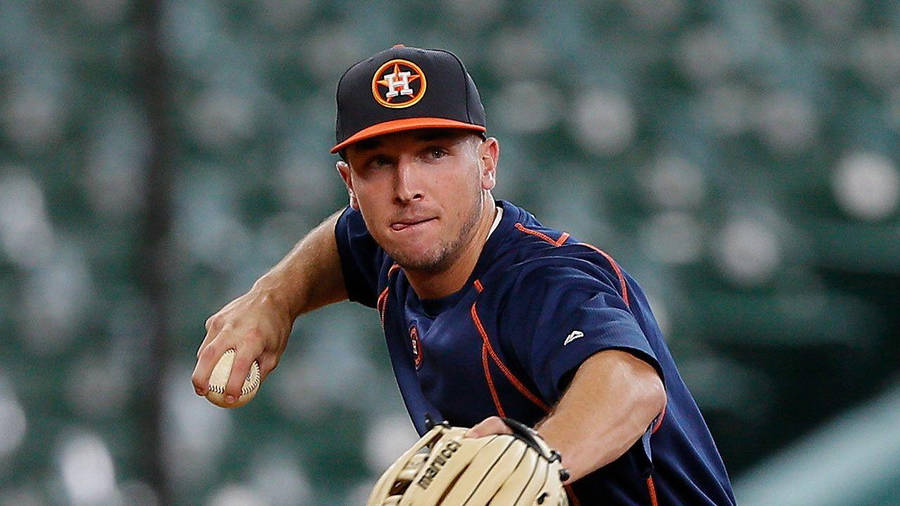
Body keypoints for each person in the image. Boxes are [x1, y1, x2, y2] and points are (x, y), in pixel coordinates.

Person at [192, 45, 736, 504]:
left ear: (488, 163)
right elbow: (340, 242)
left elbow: (630, 385)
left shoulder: (542, 280)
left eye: (435, 152)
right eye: (378, 162)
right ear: (349, 184)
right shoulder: (395, 240)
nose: (407, 186)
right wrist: (273, 299)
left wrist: (535, 456)